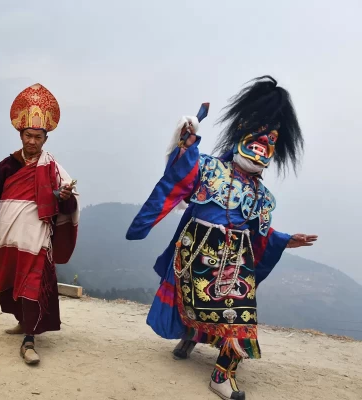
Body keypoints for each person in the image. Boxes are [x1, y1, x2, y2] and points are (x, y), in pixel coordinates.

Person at [126, 76, 317, 400]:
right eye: (253, 145)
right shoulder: (209, 168)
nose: (257, 154)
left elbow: (259, 232)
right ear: (240, 138)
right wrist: (186, 140)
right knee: (194, 301)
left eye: (264, 150)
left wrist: (283, 239)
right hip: (197, 251)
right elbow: (181, 171)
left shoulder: (263, 195)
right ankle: (191, 336)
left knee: (240, 315)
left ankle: (222, 374)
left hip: (237, 261)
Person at [0, 83, 79, 365]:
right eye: (28, 135)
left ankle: (30, 339)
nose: (32, 141)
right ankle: (21, 321)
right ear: (20, 134)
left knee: (32, 284)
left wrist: (65, 197)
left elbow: (66, 203)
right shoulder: (7, 166)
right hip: (9, 234)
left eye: (38, 137)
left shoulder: (53, 168)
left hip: (36, 236)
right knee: (12, 279)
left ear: (45, 138)